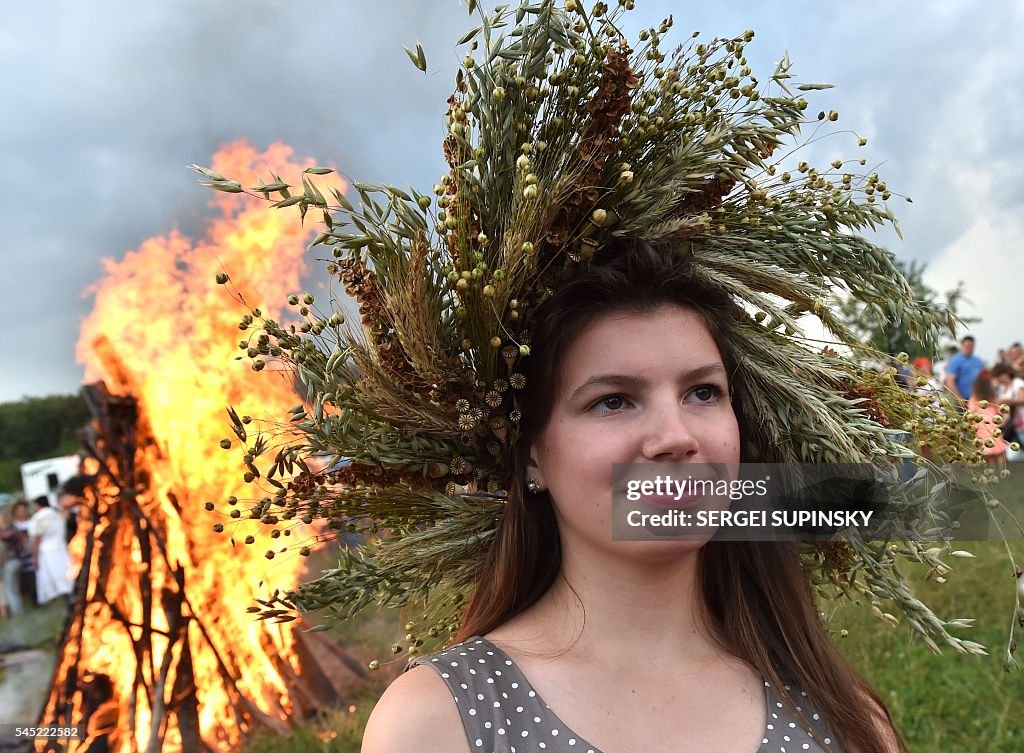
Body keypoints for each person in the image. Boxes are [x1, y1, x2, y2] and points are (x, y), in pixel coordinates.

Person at [199, 4, 996, 752]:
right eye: (613, 399)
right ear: (532, 456)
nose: (676, 436)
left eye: (702, 391)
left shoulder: (842, 718)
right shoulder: (440, 723)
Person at [27, 496, 75, 604]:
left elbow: (37, 539)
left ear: (37, 505)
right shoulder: (57, 514)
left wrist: (35, 557)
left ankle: (65, 600)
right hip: (61, 548)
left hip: (47, 551)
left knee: (54, 578)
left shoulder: (38, 518)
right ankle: (70, 597)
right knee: (66, 573)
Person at [967, 376, 1007, 467]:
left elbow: (970, 414)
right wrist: (1002, 423)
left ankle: (992, 472)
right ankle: (1002, 471)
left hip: (982, 427)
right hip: (993, 425)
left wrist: (972, 427)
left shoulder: (974, 398)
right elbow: (1002, 411)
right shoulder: (992, 397)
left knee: (988, 452)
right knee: (999, 451)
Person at [943, 336, 985, 401]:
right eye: (968, 346)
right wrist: (959, 399)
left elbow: (985, 378)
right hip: (962, 399)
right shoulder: (955, 360)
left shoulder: (978, 361)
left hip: (977, 399)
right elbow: (950, 381)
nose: (970, 348)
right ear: (962, 345)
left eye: (972, 346)